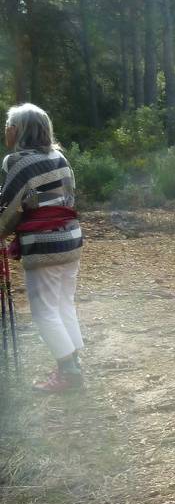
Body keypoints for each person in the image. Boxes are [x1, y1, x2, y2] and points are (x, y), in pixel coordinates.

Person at [0, 104, 84, 394]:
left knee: (44, 312)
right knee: (63, 304)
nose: (6, 131)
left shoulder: (17, 162)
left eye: (8, 125)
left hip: (44, 244)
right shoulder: (59, 157)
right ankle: (72, 363)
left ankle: (68, 372)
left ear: (18, 130)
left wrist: (5, 231)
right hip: (70, 240)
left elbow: (9, 207)